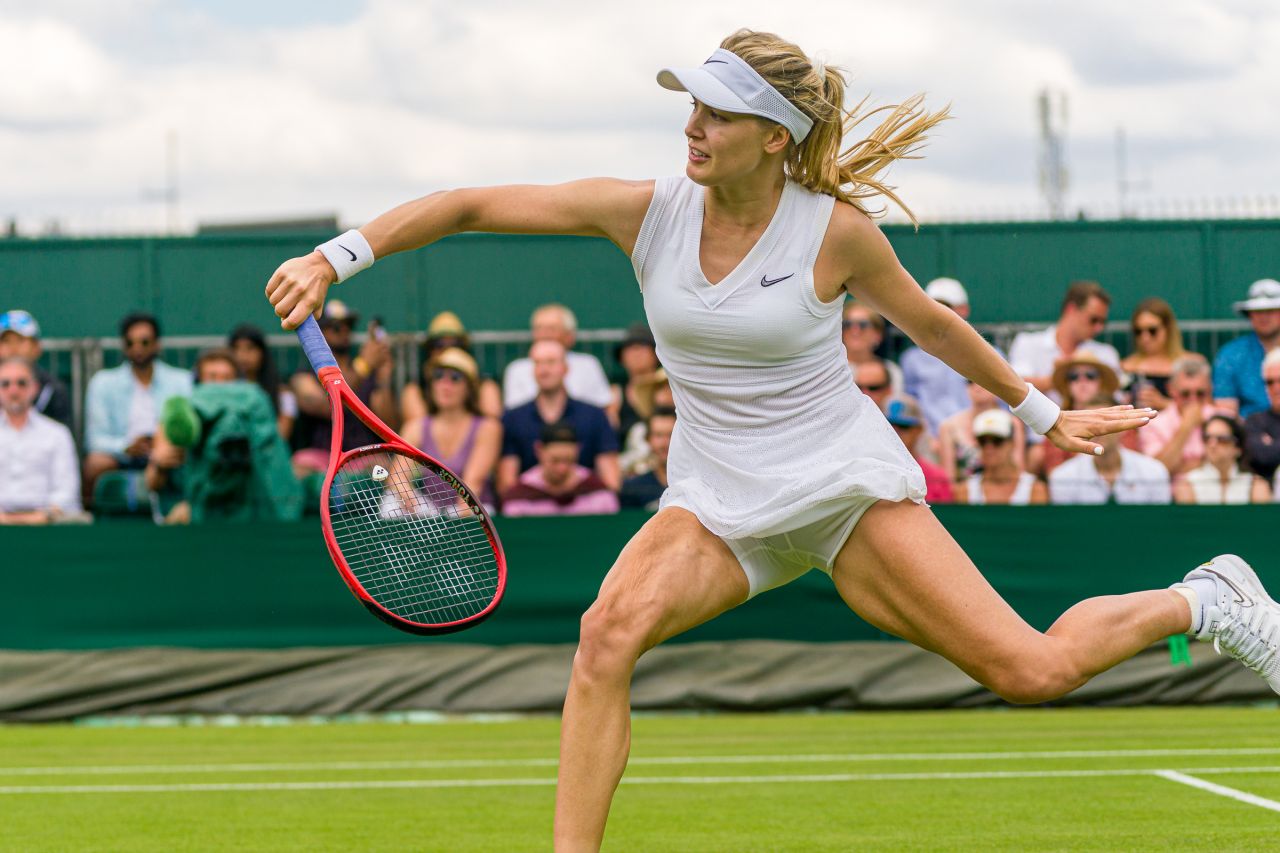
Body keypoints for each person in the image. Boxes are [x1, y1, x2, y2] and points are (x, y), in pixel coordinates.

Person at [266, 29, 1278, 851]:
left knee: (1029, 669)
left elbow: (928, 326)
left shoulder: (832, 232)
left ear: (772, 136)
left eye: (714, 111)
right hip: (713, 499)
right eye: (691, 105)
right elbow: (471, 203)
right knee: (603, 637)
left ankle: (1206, 597)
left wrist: (1044, 416)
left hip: (839, 489)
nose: (691, 124)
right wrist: (336, 254)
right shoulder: (645, 212)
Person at [82, 312, 192, 506]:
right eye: (130, 343)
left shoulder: (182, 380)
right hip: (122, 457)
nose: (138, 349)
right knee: (95, 464)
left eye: (144, 342)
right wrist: (126, 446)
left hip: (168, 452)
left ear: (157, 344)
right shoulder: (103, 383)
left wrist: (161, 447)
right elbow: (95, 440)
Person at [497, 339, 619, 496]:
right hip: (528, 511)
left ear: (566, 368)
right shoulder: (513, 418)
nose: (544, 370)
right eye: (538, 363)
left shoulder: (595, 415)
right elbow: (507, 485)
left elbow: (612, 482)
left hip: (587, 509)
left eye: (551, 362)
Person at [289, 299, 396, 475]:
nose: (344, 331)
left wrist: (384, 378)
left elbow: (389, 425)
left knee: (385, 467)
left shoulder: (368, 375)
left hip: (364, 456)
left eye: (349, 325)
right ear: (319, 332)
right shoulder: (304, 375)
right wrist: (363, 365)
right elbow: (325, 406)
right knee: (298, 466)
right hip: (322, 459)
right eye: (336, 327)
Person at [397, 346, 502, 507]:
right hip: (431, 514)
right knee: (391, 502)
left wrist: (453, 526)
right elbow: (397, 477)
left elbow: (472, 485)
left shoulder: (488, 427)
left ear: (469, 388)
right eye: (438, 376)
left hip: (476, 514)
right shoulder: (415, 427)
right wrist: (410, 501)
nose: (445, 384)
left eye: (455, 377)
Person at [899, 278, 992, 436]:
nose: (939, 312)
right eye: (933, 306)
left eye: (946, 306)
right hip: (928, 441)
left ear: (964, 310)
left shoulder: (990, 353)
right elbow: (911, 407)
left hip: (982, 439)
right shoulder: (911, 360)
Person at [0, 357, 81, 524]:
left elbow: (67, 492)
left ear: (34, 388)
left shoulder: (57, 434)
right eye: (5, 384)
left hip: (48, 525)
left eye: (21, 383)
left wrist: (46, 515)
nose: (13, 391)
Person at [1008, 280, 1121, 399]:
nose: (1099, 328)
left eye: (1102, 322)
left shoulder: (1106, 353)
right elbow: (1015, 387)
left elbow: (1114, 398)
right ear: (1071, 309)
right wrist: (1060, 375)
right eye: (1093, 320)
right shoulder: (1027, 343)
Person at [1051, 400, 1172, 505]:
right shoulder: (1062, 476)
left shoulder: (1154, 472)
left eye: (1107, 423)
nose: (1098, 431)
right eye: (1090, 425)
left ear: (1124, 428)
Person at [1039, 352, 1135, 478]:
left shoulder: (1120, 417)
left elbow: (1131, 464)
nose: (1082, 381)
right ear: (1068, 385)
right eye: (1073, 376)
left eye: (1090, 375)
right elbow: (1055, 474)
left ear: (1101, 382)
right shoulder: (1056, 422)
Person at [502, 304, 612, 409]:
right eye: (539, 328)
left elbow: (602, 407)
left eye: (551, 328)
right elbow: (515, 415)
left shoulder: (588, 365)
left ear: (569, 335)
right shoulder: (517, 369)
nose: (544, 334)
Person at [1138, 355, 1229, 480]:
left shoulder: (1225, 419)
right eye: (1185, 394)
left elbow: (1231, 466)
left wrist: (1179, 467)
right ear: (1171, 389)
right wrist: (1186, 427)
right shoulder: (1153, 424)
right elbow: (1156, 472)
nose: (1193, 400)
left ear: (1210, 389)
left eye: (1200, 394)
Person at [500, 422, 621, 517]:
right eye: (555, 460)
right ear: (539, 450)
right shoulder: (520, 496)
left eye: (568, 460)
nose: (562, 469)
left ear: (578, 450)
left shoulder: (598, 493)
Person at [400, 311, 503, 421]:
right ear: (429, 351)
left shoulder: (485, 386)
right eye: (439, 345)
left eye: (455, 377)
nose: (447, 350)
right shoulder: (416, 390)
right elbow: (418, 432)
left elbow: (492, 424)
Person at [937, 379, 1026, 486]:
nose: (977, 386)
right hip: (963, 498)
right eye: (970, 381)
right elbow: (948, 479)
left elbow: (1018, 469)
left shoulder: (1012, 423)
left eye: (997, 441)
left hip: (1004, 494)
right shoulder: (949, 427)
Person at [1214, 278, 1280, 418]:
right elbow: (1226, 411)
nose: (1264, 316)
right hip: (1248, 434)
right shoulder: (1230, 355)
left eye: (1271, 310)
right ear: (1249, 315)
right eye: (1257, 311)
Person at [954, 409, 1046, 506]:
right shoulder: (964, 491)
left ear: (1012, 443)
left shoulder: (1035, 489)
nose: (989, 448)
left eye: (997, 441)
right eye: (982, 441)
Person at [0, 310, 73, 431]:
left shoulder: (54, 390)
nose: (13, 347)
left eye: (20, 340)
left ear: (36, 347)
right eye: (6, 341)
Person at [1174, 415, 1272, 505]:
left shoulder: (1256, 484)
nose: (1212, 445)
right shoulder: (1187, 484)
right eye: (1207, 438)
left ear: (1238, 448)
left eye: (1222, 439)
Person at [228, 323, 297, 440]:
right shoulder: (225, 390)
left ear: (262, 353)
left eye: (250, 348)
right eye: (236, 348)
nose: (242, 355)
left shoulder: (284, 394)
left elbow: (282, 435)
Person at [1120, 297, 1185, 411]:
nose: (1145, 338)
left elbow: (1203, 408)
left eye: (1152, 330)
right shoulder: (1126, 366)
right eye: (1138, 331)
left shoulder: (1189, 364)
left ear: (1168, 328)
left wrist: (1164, 403)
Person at [884, 396, 951, 504]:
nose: (895, 432)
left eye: (903, 426)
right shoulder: (868, 471)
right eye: (889, 426)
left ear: (918, 429)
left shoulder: (937, 477)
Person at [608, 322, 660, 439]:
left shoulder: (668, 389)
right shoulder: (614, 394)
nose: (636, 352)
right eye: (630, 348)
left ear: (656, 354)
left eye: (642, 346)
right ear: (622, 358)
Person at [619, 406, 676, 510]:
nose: (665, 443)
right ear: (648, 439)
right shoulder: (633, 488)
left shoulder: (697, 485)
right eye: (658, 435)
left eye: (670, 435)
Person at [841, 301, 903, 395]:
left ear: (878, 334)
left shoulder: (891, 370)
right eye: (847, 324)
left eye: (862, 325)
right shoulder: (830, 369)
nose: (855, 330)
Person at [1243, 348, 1280, 483]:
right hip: (1269, 500)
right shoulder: (1254, 421)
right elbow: (1262, 456)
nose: (1276, 387)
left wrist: (1274, 444)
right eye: (1270, 382)